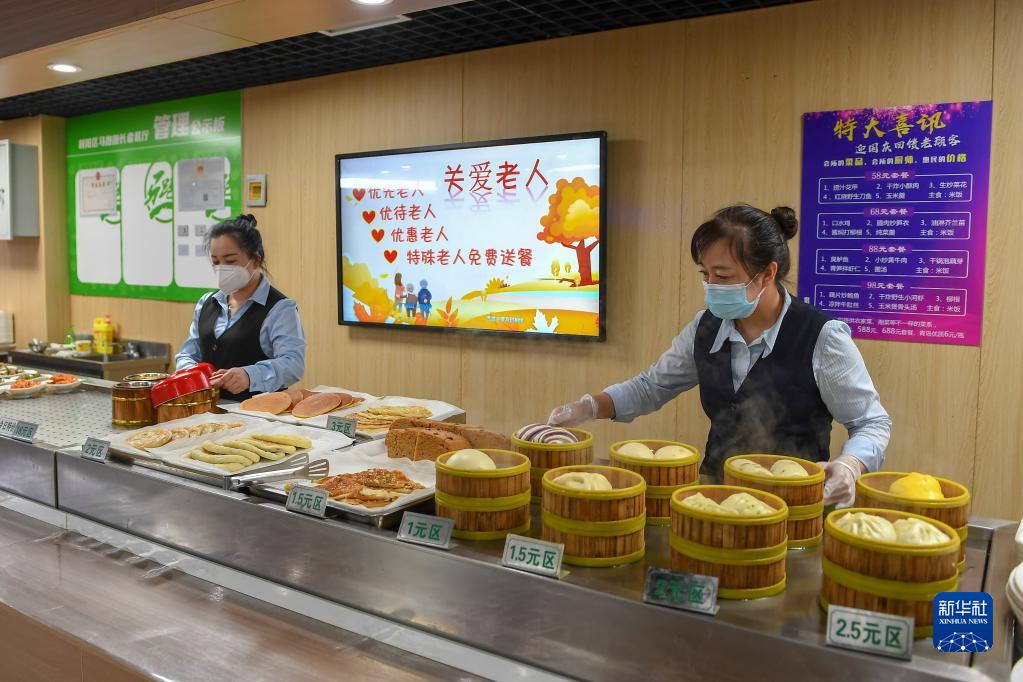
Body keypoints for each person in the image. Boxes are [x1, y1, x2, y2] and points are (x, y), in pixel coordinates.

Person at [548, 204, 891, 506]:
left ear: (767, 273)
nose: (711, 285)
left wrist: (850, 466)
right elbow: (650, 387)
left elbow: (871, 423)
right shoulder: (706, 327)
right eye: (706, 274)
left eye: (723, 275)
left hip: (795, 502)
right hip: (715, 494)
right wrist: (589, 407)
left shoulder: (822, 336)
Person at [174, 214, 306, 401]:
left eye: (230, 261)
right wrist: (190, 372)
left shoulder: (280, 309)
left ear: (255, 260)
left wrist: (249, 376)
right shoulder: (207, 302)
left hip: (256, 412)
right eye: (216, 262)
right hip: (206, 410)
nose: (222, 268)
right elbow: (188, 353)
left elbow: (293, 364)